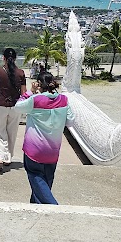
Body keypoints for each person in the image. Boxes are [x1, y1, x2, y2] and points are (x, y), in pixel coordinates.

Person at [14, 71, 73, 204]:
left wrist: (29, 92)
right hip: (53, 150)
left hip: (34, 149)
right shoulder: (64, 100)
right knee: (46, 181)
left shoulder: (35, 100)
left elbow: (18, 107)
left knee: (36, 177)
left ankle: (53, 207)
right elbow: (71, 121)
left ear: (39, 84)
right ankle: (36, 206)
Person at [0, 48, 27, 175]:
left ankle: (0, 158)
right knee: (12, 132)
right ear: (15, 58)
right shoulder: (21, 73)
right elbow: (24, 93)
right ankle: (8, 158)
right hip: (15, 106)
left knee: (0, 132)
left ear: (3, 58)